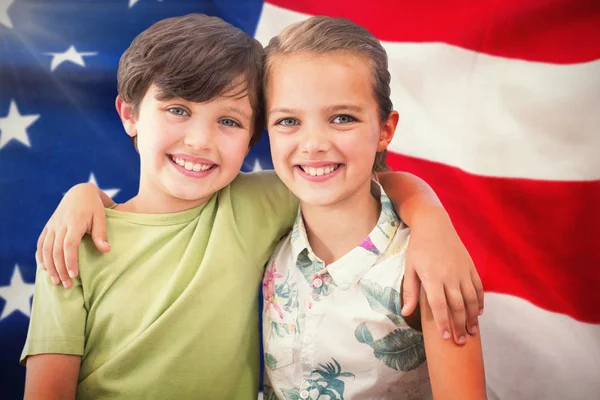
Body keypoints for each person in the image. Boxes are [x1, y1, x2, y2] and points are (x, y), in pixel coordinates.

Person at [24, 14, 482, 400]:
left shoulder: (262, 201)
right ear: (129, 115)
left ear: (251, 138)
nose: (200, 141)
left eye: (228, 120)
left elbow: (363, 178)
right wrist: (81, 195)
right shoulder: (72, 244)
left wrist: (431, 222)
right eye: (178, 109)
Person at [260, 17, 486, 399]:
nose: (313, 144)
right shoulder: (262, 231)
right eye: (288, 121)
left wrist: (429, 219)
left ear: (385, 129)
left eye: (342, 118)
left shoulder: (424, 272)